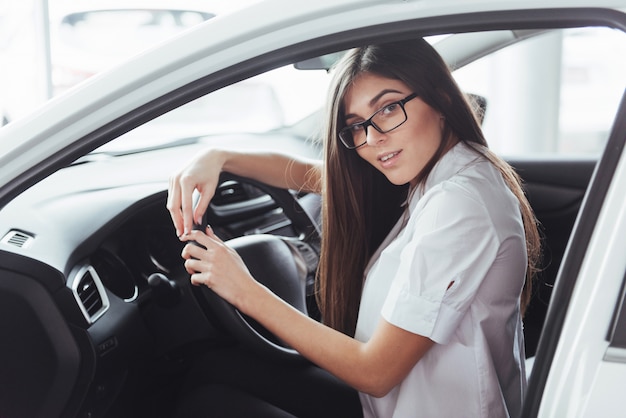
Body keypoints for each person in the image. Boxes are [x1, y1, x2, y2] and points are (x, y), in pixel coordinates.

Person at [167, 38, 541, 417]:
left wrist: (244, 289)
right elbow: (311, 175)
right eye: (357, 126)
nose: (373, 138)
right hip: (396, 403)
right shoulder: (440, 174)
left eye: (389, 109)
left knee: (210, 401)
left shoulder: (459, 204)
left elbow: (375, 372)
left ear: (441, 98)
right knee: (215, 371)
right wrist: (218, 157)